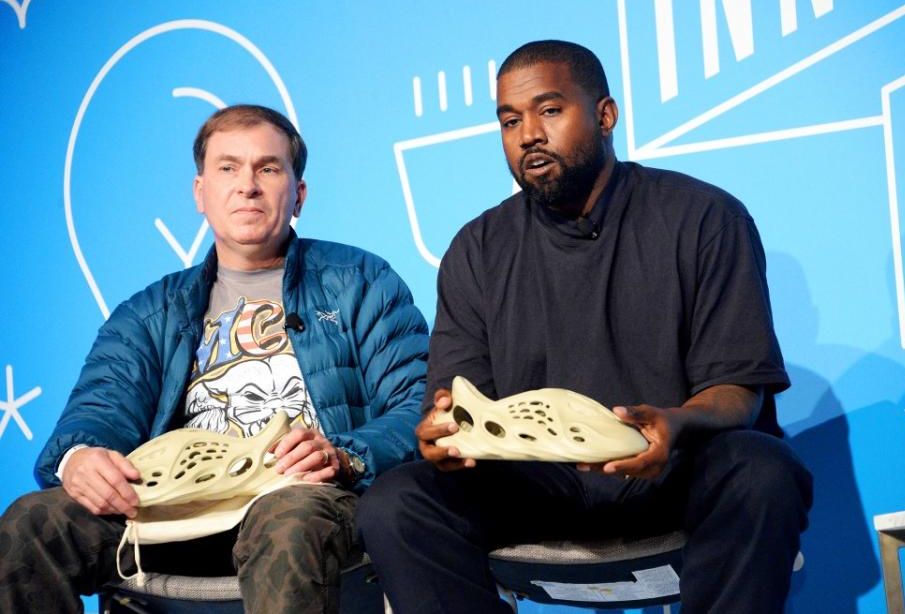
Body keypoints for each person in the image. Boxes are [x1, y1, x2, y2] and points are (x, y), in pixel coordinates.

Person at [356, 40, 813, 613]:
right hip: (535, 484)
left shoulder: (703, 217)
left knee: (762, 470)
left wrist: (675, 423)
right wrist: (444, 436)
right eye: (509, 120)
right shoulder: (476, 249)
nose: (528, 135)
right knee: (398, 501)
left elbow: (738, 391)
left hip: (669, 469)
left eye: (549, 111)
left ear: (605, 115)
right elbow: (459, 403)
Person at [0, 104, 429, 613]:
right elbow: (101, 409)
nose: (247, 185)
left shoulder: (360, 279)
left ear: (299, 195)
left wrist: (344, 454)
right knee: (31, 524)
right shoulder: (147, 313)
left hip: (303, 500)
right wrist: (82, 457)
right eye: (228, 168)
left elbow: (418, 406)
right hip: (169, 507)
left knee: (286, 517)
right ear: (201, 193)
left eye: (268, 168)